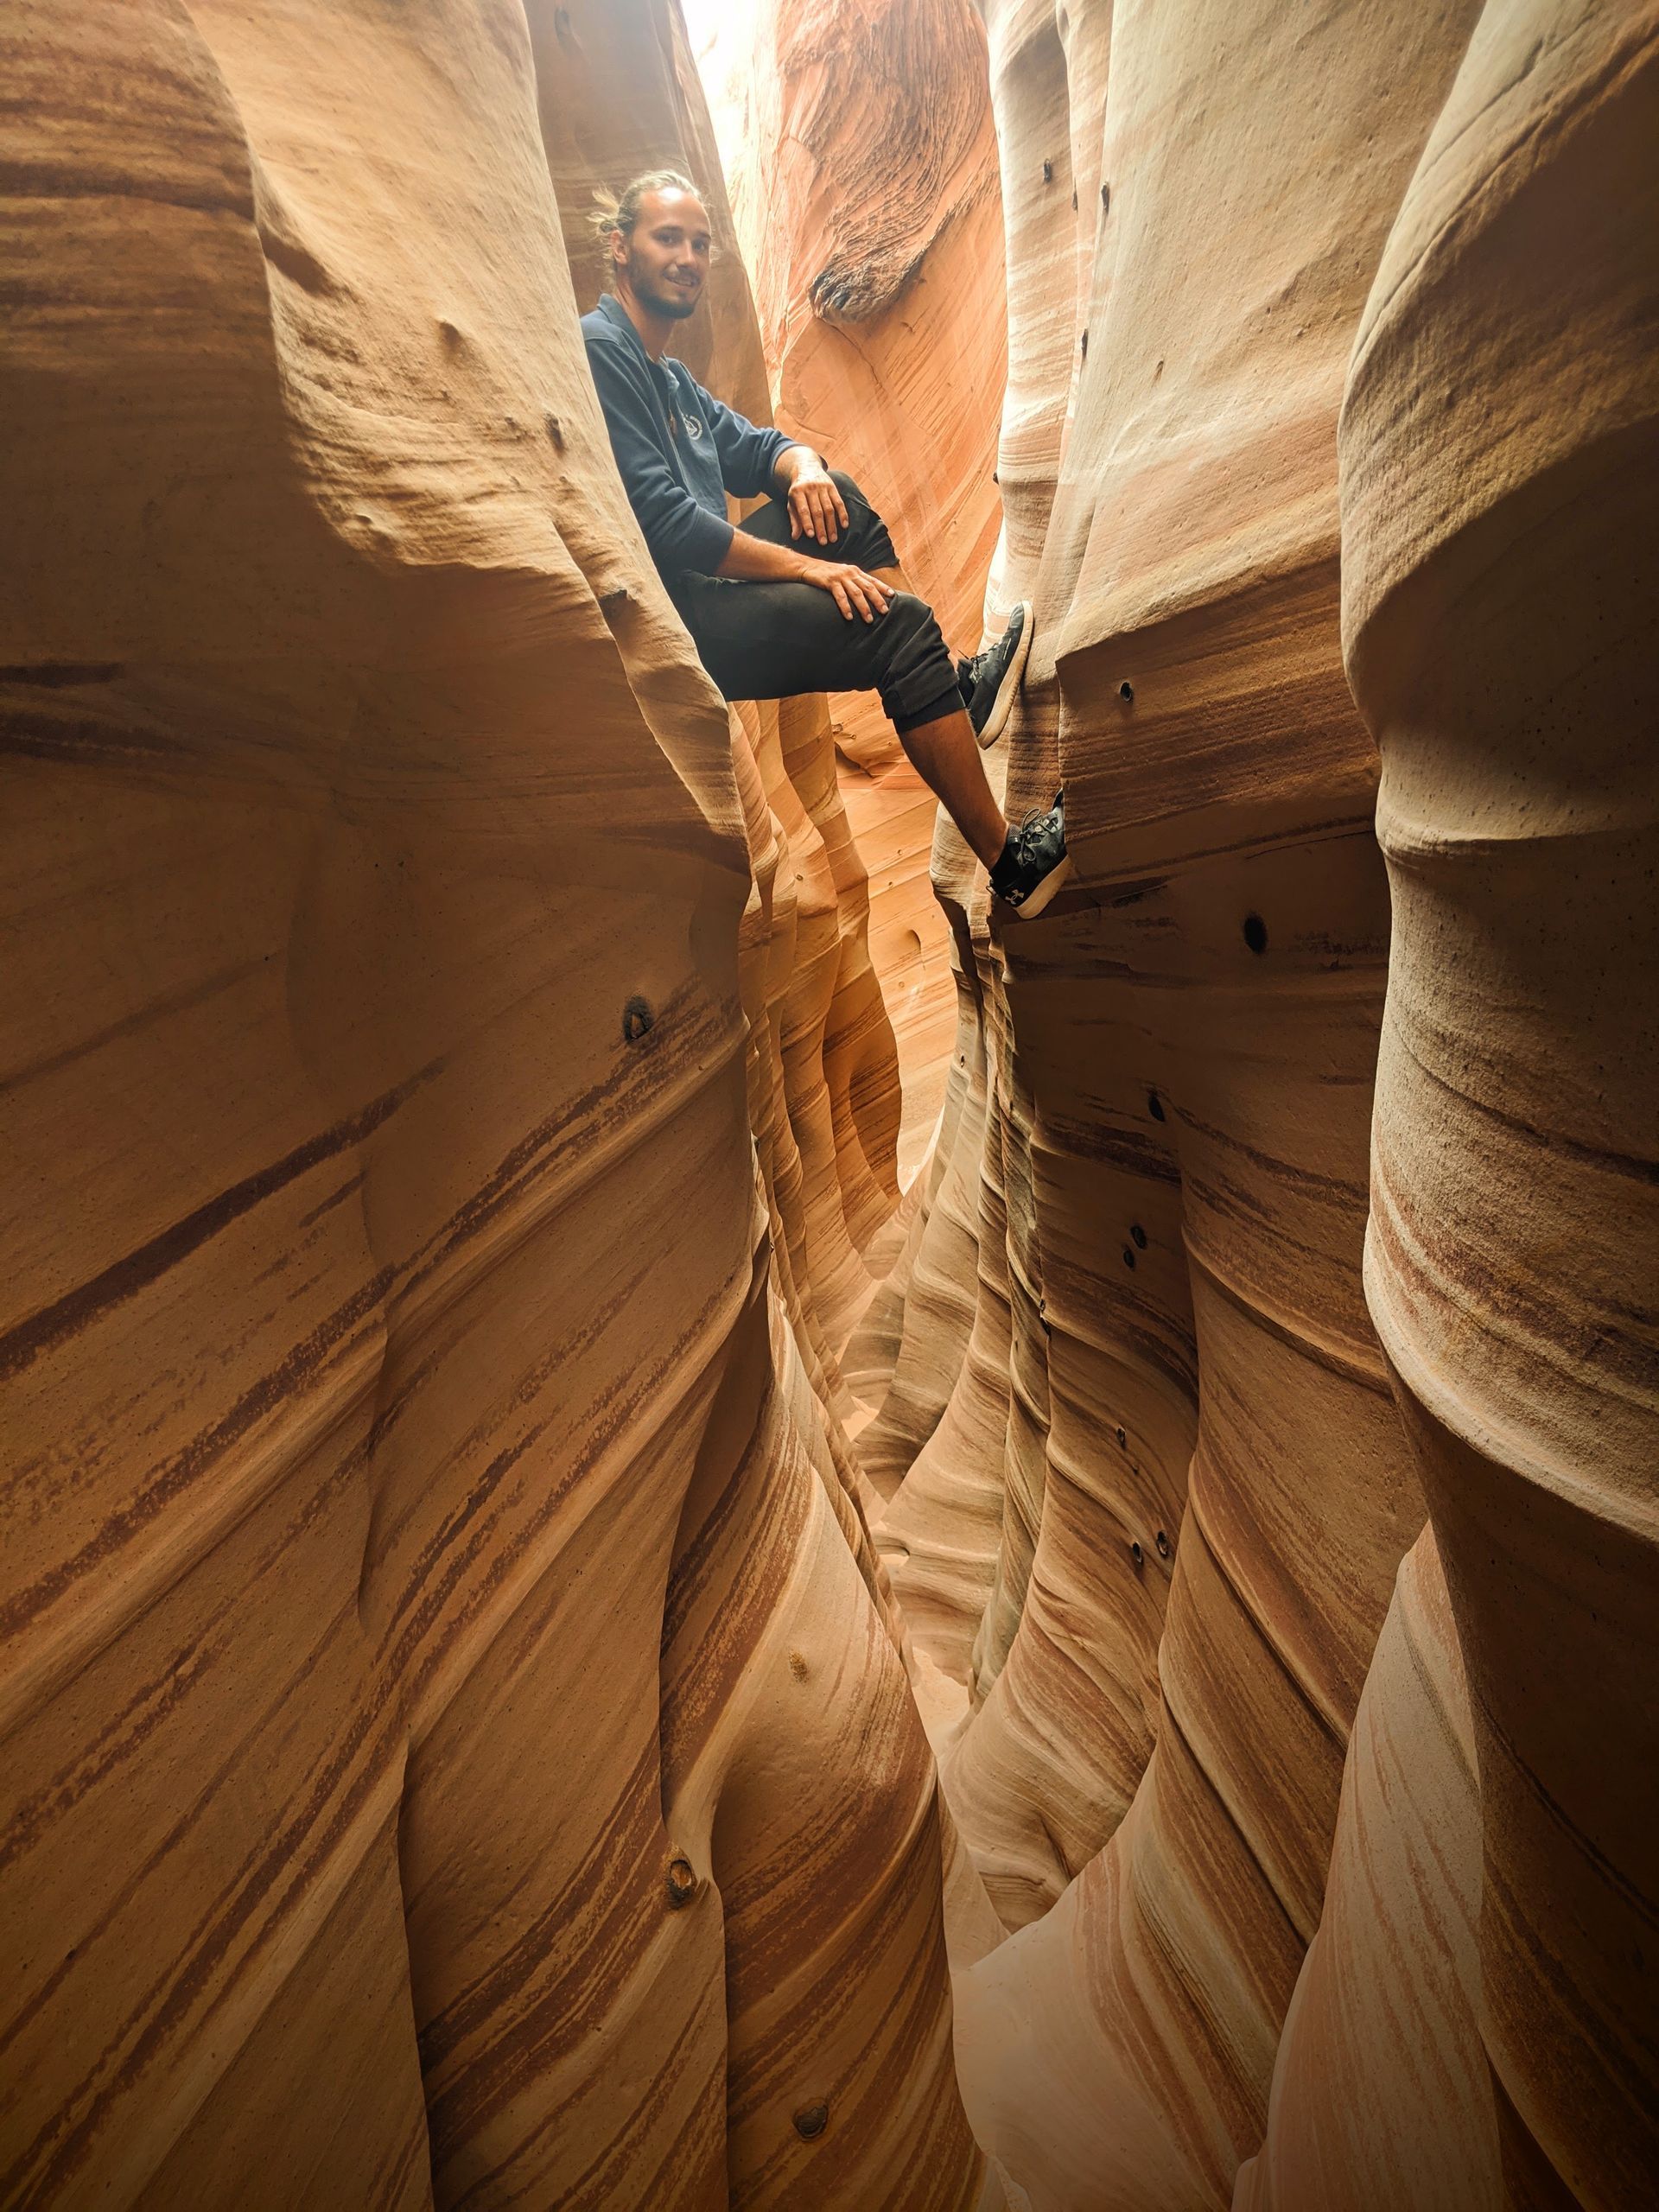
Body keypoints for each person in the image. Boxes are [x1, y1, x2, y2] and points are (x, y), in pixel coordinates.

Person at [580, 170, 1071, 918]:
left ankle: (961, 690)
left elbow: (761, 448)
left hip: (708, 592)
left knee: (838, 500)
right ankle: (1011, 864)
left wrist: (803, 469)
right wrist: (810, 569)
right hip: (678, 621)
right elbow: (667, 523)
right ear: (621, 248)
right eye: (667, 238)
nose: (687, 257)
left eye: (699, 243)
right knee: (896, 629)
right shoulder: (603, 349)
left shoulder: (672, 380)